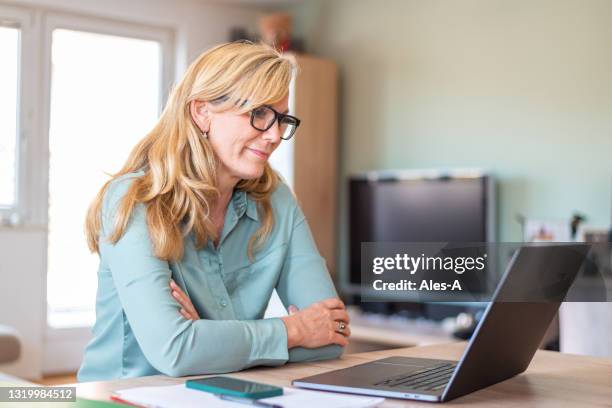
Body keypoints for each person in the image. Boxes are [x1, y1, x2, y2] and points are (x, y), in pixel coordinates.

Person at [77, 41, 350, 382]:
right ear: (202, 112)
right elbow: (176, 350)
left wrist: (209, 339)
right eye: (260, 114)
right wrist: (293, 331)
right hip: (121, 397)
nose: (275, 135)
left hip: (219, 392)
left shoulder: (276, 199)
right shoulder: (135, 200)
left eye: (282, 119)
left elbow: (332, 335)